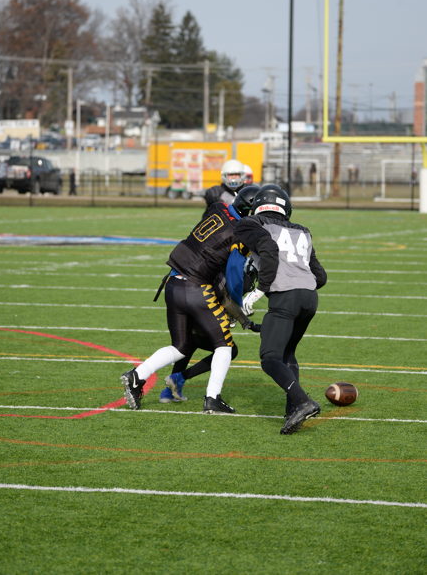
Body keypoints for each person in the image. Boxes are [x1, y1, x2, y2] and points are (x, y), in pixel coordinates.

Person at [121, 184, 261, 414]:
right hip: (196, 287)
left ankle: (137, 376)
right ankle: (213, 399)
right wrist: (237, 306)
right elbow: (235, 273)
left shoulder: (218, 208)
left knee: (180, 346)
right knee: (224, 346)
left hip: (173, 282)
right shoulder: (240, 232)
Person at [234, 183, 327, 435]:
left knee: (270, 358)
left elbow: (268, 248)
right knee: (287, 354)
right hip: (309, 297)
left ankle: (303, 402)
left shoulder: (251, 223)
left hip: (285, 297)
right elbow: (320, 276)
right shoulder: (303, 231)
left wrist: (260, 289)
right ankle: (292, 410)